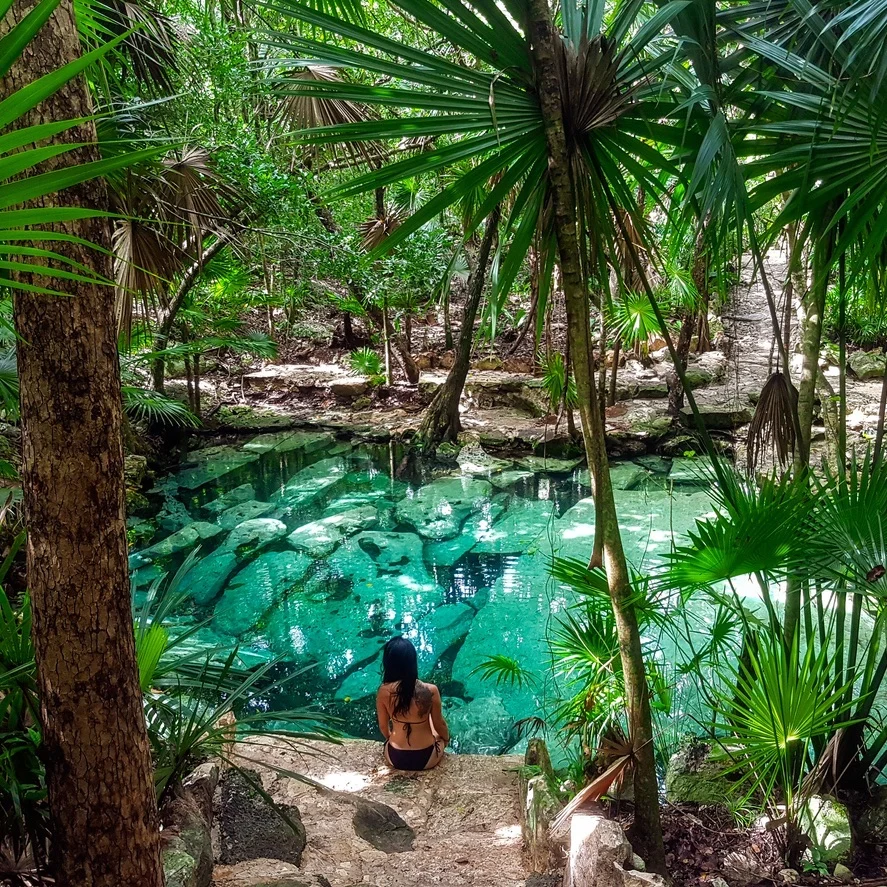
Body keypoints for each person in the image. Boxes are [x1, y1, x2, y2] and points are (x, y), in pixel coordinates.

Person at [375, 636, 449, 771]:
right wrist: (445, 740)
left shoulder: (383, 691)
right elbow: (440, 724)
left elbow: (383, 727)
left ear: (388, 663)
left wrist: (391, 739)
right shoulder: (431, 690)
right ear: (412, 662)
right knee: (432, 724)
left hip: (395, 756)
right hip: (426, 757)